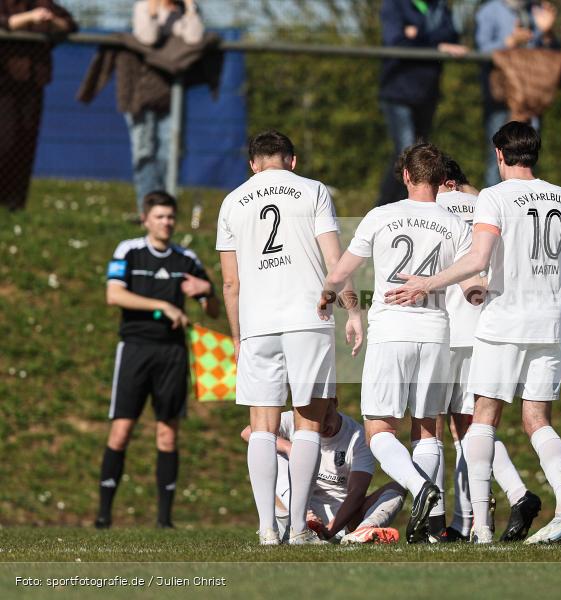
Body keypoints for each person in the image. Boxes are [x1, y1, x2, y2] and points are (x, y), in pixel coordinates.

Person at [386, 122, 561, 545]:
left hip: (503, 322)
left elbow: (478, 259)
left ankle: (480, 525)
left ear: (499, 154)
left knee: (482, 419)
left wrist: (427, 283)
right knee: (537, 419)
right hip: (550, 323)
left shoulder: (495, 197)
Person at [319, 143, 479, 544]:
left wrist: (330, 297)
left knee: (378, 430)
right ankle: (431, 525)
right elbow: (473, 284)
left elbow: (340, 272)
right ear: (441, 179)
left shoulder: (381, 215)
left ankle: (421, 488)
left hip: (391, 329)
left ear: (406, 176)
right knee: (427, 429)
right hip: (436, 332)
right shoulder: (457, 224)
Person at [217, 130, 363, 546]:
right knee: (308, 425)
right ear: (292, 161)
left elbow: (230, 283)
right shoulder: (313, 191)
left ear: (253, 164)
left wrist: (237, 337)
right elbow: (335, 260)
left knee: (262, 426)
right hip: (308, 319)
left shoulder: (232, 202)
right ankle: (298, 527)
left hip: (258, 323)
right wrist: (353, 311)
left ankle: (267, 527)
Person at [96, 190, 219, 529]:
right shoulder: (129, 250)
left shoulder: (186, 258)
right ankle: (103, 516)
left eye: (170, 217)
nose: (166, 222)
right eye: (159, 217)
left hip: (173, 352)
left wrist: (207, 292)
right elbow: (113, 294)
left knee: (168, 434)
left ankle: (165, 521)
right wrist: (162, 306)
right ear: (145, 219)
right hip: (135, 349)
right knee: (121, 430)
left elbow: (212, 308)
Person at [434, 156, 542, 542]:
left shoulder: (432, 206)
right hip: (486, 326)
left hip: (447, 326)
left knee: (448, 427)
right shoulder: (489, 202)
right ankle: (477, 515)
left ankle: (454, 520)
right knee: (471, 426)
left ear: (444, 182)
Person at [240, 400, 404, 544]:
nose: (321, 424)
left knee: (398, 488)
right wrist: (288, 447)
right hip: (293, 514)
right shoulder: (291, 419)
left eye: (325, 415)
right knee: (269, 450)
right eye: (314, 418)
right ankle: (299, 520)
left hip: (341, 521)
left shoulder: (357, 435)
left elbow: (357, 492)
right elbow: (248, 432)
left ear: (334, 402)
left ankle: (364, 530)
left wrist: (331, 529)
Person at [376, 0, 467, 206]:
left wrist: (418, 35)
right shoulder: (395, 4)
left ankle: (399, 207)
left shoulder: (439, 6)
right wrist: (436, 45)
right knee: (407, 153)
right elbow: (395, 40)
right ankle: (384, 208)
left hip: (427, 92)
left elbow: (452, 35)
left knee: (417, 155)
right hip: (399, 91)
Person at [126, 0, 204, 215]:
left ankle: (165, 208)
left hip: (172, 94)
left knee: (169, 152)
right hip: (141, 92)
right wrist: (154, 9)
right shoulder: (144, 7)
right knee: (144, 151)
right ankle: (147, 209)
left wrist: (189, 7)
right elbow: (147, 38)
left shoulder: (186, 10)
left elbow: (194, 39)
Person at [0, 0, 77, 210]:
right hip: (4, 83)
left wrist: (50, 21)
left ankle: (14, 205)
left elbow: (70, 24)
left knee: (25, 143)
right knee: (5, 141)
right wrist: (29, 18)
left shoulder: (41, 3)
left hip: (33, 82)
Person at [475, 0, 557, 187]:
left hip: (531, 97)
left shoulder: (536, 10)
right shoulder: (489, 11)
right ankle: (495, 203)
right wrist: (510, 42)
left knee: (529, 156)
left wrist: (547, 32)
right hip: (501, 99)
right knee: (498, 157)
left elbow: (555, 53)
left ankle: (527, 201)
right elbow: (481, 50)